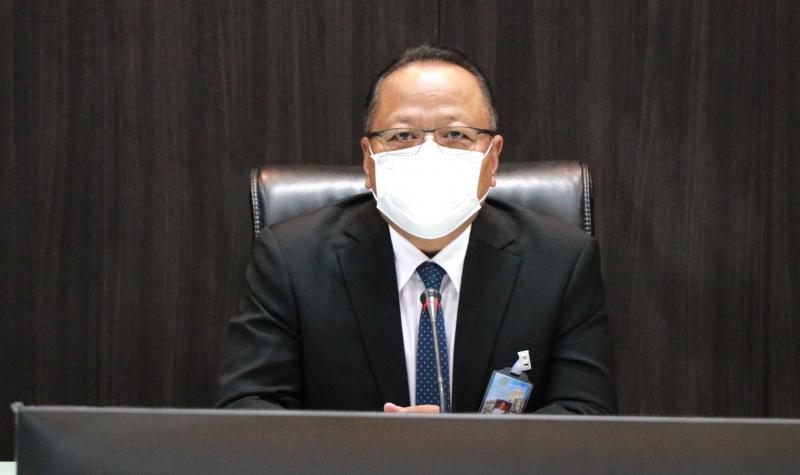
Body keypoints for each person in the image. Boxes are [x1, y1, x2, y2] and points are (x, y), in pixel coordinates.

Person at [215, 45, 617, 415]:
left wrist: (459, 449)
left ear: (493, 159)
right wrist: (371, 450)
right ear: (368, 161)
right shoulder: (292, 260)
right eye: (402, 136)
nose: (429, 155)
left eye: (456, 135)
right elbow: (247, 407)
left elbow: (585, 415)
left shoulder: (560, 262)